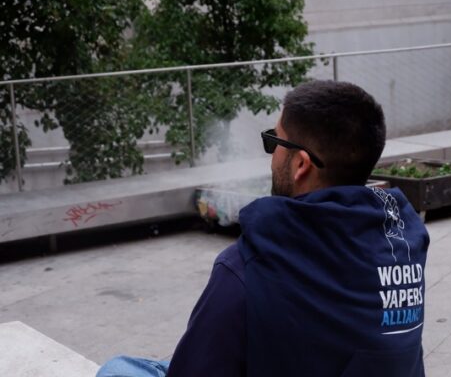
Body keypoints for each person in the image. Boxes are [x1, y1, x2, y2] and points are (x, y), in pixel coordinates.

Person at [97, 80, 430, 377]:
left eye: (275, 142)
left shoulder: (248, 268)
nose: (272, 157)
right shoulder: (405, 247)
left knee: (118, 369)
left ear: (300, 164)